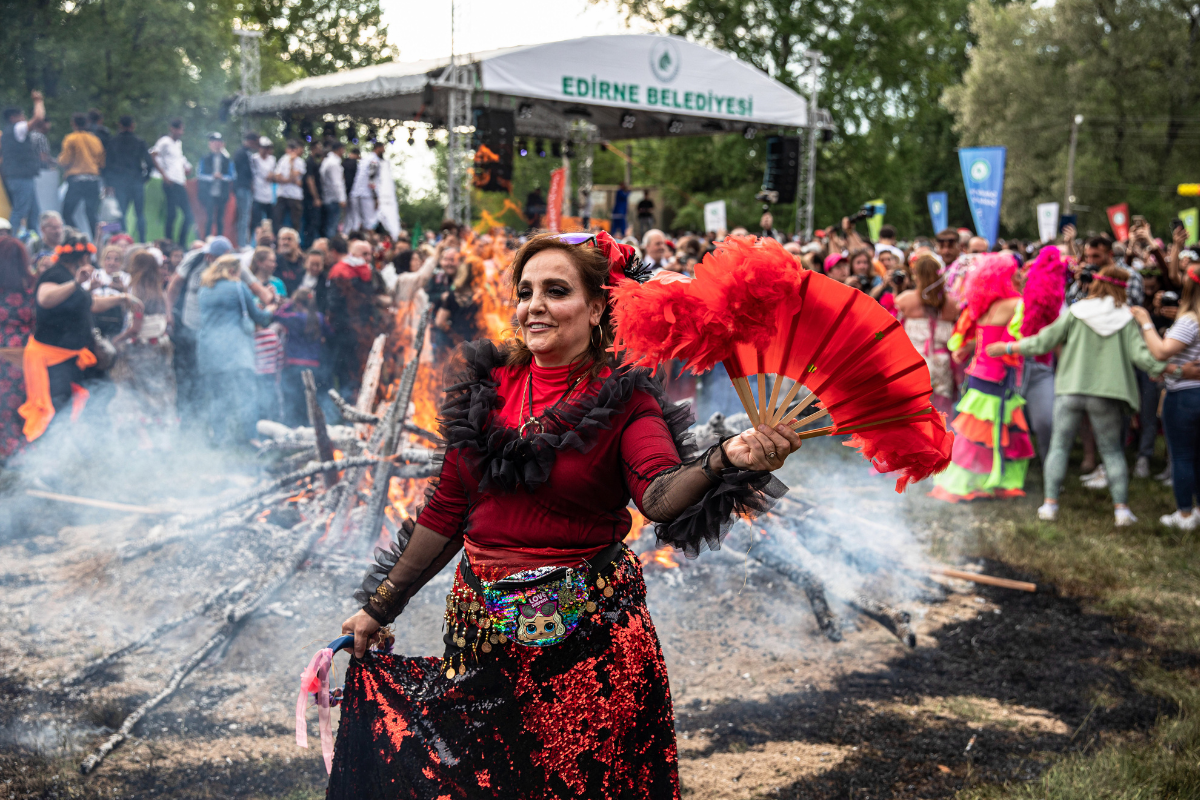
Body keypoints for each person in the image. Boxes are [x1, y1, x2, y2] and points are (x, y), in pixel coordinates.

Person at [330, 231, 798, 797]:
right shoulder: (488, 388)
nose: (534, 307)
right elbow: (447, 510)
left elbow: (659, 495)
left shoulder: (627, 398)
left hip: (589, 654)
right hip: (482, 644)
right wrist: (379, 608)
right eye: (526, 292)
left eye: (556, 291)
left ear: (598, 306)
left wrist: (725, 458)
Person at [993, 265, 1164, 526]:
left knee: (1059, 447)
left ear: (1095, 284)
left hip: (1070, 389)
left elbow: (1042, 342)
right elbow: (1142, 356)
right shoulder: (1126, 318)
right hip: (1106, 393)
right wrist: (1168, 369)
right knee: (1112, 452)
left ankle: (1049, 505)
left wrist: (1007, 346)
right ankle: (1121, 511)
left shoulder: (1076, 311)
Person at [931, 254, 1033, 503]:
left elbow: (979, 341)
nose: (1019, 276)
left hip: (979, 377)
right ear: (1003, 278)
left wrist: (965, 349)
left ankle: (987, 480)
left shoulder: (985, 305)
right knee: (983, 435)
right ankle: (971, 483)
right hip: (996, 379)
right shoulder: (1015, 303)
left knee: (982, 434)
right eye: (1015, 273)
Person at [20, 230, 137, 443]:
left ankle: (88, 444)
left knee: (101, 391)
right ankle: (46, 458)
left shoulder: (69, 277)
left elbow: (91, 304)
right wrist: (75, 283)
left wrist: (122, 297)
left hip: (73, 357)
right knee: (56, 405)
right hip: (52, 358)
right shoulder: (55, 275)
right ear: (84, 257)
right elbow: (45, 299)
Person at [1132, 266, 1200, 528]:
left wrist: (1145, 321)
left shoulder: (1190, 320)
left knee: (1182, 456)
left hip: (1183, 396)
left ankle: (1184, 514)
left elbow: (1161, 352)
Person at [196, 254, 273, 447]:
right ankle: (251, 437)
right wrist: (271, 308)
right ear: (232, 271)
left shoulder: (204, 290)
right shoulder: (238, 287)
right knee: (246, 394)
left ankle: (219, 437)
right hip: (236, 351)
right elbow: (258, 317)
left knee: (218, 397)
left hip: (209, 351)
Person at [109, 250, 176, 448]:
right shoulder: (159, 289)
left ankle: (143, 441)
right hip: (160, 349)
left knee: (136, 394)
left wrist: (117, 340)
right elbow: (168, 320)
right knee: (159, 394)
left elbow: (136, 327)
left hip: (140, 352)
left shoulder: (138, 291)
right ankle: (163, 439)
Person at [895, 253, 958, 416]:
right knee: (940, 413)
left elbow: (890, 330)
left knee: (913, 412)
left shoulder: (905, 300)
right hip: (941, 365)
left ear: (917, 275)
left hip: (913, 363)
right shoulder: (952, 304)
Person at [0, 237, 35, 460]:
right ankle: (25, 451)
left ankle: (7, 449)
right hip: (27, 355)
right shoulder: (32, 287)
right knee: (26, 403)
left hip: (2, 353)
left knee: (4, 407)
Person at [274, 287, 330, 426]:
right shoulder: (320, 318)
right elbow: (331, 332)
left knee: (293, 399)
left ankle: (293, 427)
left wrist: (287, 304)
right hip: (314, 366)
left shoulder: (294, 317)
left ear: (298, 303)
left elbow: (276, 315)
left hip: (294, 365)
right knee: (310, 400)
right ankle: (310, 426)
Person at [1, 91, 46, 237]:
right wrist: (38, 100)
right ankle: (9, 242)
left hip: (19, 177)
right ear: (13, 118)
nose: (24, 118)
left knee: (34, 213)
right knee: (20, 211)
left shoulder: (8, 132)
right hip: (21, 177)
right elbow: (39, 118)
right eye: (22, 115)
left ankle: (35, 243)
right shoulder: (18, 128)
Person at [105, 116, 154, 243]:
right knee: (140, 214)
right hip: (136, 181)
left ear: (119, 125)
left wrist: (109, 183)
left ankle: (123, 240)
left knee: (121, 214)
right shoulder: (139, 142)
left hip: (119, 182)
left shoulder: (112, 141)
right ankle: (142, 241)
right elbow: (150, 162)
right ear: (133, 125)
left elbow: (107, 164)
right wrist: (145, 178)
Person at [58, 113, 106, 240]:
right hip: (93, 180)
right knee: (91, 213)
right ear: (86, 124)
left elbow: (65, 160)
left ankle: (77, 238)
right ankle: (98, 242)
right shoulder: (95, 139)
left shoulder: (70, 138)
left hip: (76, 181)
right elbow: (102, 162)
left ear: (73, 124)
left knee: (67, 213)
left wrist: (59, 161)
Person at [429, 252, 482, 362]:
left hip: (454, 346)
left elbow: (439, 322)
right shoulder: (482, 297)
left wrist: (453, 333)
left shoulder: (452, 296)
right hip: (476, 345)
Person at [151, 119, 193, 246]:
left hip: (179, 182)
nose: (181, 132)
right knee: (172, 214)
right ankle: (169, 242)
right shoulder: (165, 141)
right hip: (170, 182)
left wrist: (186, 168)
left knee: (189, 215)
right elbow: (153, 155)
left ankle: (181, 243)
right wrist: (164, 175)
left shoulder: (178, 144)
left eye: (182, 129)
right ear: (172, 129)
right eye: (179, 129)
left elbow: (179, 160)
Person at [197, 132, 236, 239]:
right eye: (214, 142)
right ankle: (206, 239)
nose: (217, 145)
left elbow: (232, 175)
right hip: (208, 193)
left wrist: (222, 177)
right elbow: (200, 174)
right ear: (210, 144)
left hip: (222, 193)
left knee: (220, 219)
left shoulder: (227, 160)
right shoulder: (205, 158)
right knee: (209, 218)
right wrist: (212, 177)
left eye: (219, 142)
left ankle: (219, 239)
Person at [347, 140, 385, 233]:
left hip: (355, 193)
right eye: (383, 148)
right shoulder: (374, 160)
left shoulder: (365, 159)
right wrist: (376, 197)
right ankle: (369, 243)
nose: (384, 150)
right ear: (378, 148)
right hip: (367, 194)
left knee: (355, 221)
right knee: (370, 222)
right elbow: (371, 179)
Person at [271, 139, 307, 234]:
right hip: (282, 194)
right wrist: (290, 180)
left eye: (293, 149)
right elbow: (278, 177)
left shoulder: (300, 162)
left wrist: (291, 164)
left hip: (295, 196)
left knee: (295, 221)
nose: (291, 152)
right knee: (278, 218)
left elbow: (294, 176)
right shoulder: (282, 160)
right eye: (290, 149)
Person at [233, 132, 259, 247]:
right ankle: (242, 243)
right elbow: (242, 172)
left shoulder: (246, 153)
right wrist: (249, 183)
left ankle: (244, 242)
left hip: (245, 188)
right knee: (244, 216)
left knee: (246, 216)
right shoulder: (241, 153)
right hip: (243, 188)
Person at [320, 140, 347, 239]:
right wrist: (342, 199)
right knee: (332, 226)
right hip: (334, 199)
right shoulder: (333, 163)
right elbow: (337, 183)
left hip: (328, 197)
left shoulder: (327, 161)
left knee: (330, 225)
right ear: (340, 149)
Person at [250, 136, 276, 235]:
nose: (264, 150)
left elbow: (273, 174)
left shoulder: (272, 159)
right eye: (263, 147)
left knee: (270, 220)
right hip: (257, 194)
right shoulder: (254, 159)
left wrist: (272, 175)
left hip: (268, 195)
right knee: (256, 220)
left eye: (267, 147)